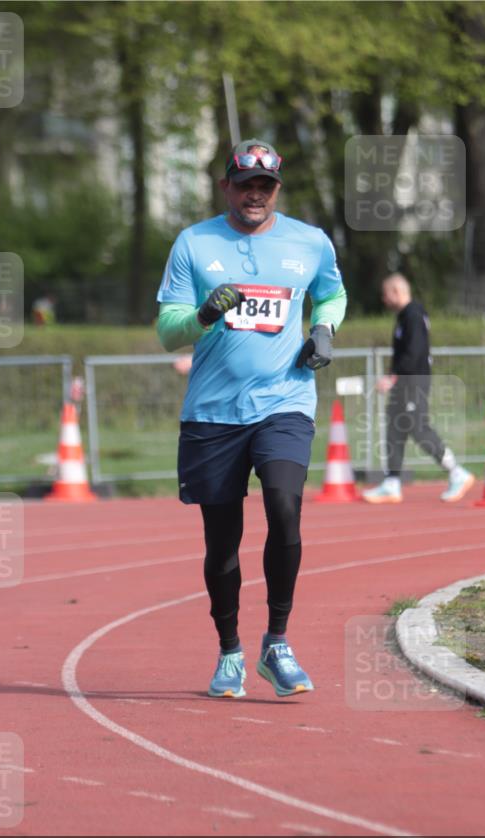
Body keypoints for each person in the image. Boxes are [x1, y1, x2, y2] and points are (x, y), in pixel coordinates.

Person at [156, 138, 346, 699]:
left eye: (265, 187)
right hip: (214, 413)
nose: (254, 195)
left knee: (285, 509)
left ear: (276, 190)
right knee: (222, 542)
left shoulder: (309, 242)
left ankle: (278, 642)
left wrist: (323, 330)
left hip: (285, 400)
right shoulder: (194, 243)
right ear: (227, 188)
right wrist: (203, 314)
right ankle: (231, 651)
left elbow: (332, 295)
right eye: (244, 185)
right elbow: (168, 331)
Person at [362, 274, 474, 505]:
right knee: (394, 428)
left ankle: (456, 472)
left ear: (396, 291)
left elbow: (414, 352)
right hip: (404, 381)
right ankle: (392, 483)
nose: (384, 300)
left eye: (385, 294)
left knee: (417, 427)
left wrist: (393, 377)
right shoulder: (404, 317)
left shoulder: (413, 315)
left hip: (413, 381)